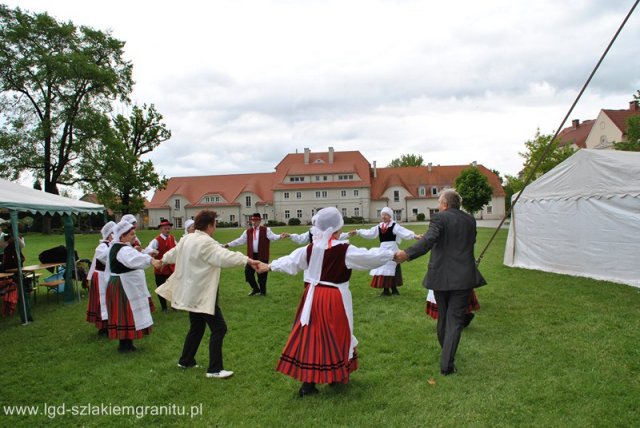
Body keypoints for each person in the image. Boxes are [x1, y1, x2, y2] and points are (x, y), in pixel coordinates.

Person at [259, 207, 394, 397]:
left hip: (312, 297)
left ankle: (310, 383)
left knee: (312, 336)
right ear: (337, 229)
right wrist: (392, 255)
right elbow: (368, 257)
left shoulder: (310, 248)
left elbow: (291, 261)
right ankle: (333, 376)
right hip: (334, 298)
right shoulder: (344, 250)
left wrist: (270, 266)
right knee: (336, 336)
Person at [156, 210, 261, 379]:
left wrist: (163, 260)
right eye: (215, 223)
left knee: (197, 326)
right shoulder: (205, 242)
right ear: (210, 225)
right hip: (202, 293)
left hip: (192, 291)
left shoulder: (187, 238)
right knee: (219, 328)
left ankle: (185, 360)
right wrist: (247, 260)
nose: (216, 226)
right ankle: (215, 369)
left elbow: (173, 253)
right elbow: (224, 256)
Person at [395, 190, 486, 375]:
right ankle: (447, 358)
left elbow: (429, 240)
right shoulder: (470, 220)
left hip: (441, 276)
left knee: (444, 318)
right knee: (454, 320)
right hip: (463, 276)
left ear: (445, 204)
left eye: (438, 202)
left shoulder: (439, 218)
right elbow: (471, 241)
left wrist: (407, 253)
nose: (438, 205)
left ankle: (447, 360)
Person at [106, 220, 162, 353]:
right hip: (123, 286)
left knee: (127, 313)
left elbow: (134, 257)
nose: (134, 237)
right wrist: (151, 260)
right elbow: (133, 259)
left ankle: (127, 342)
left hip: (124, 284)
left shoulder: (121, 247)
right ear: (122, 236)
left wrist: (147, 255)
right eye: (131, 234)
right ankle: (125, 344)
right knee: (125, 313)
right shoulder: (122, 249)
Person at [349, 207, 420, 296]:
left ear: (390, 216)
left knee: (392, 267)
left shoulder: (394, 226)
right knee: (383, 267)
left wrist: (414, 236)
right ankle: (386, 290)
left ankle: (394, 289)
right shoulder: (379, 226)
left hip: (392, 249)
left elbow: (403, 232)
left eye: (385, 215)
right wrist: (357, 232)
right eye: (382, 215)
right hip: (383, 249)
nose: (383, 217)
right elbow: (370, 233)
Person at [224, 213, 285, 296]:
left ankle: (263, 292)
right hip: (251, 256)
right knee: (248, 272)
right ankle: (255, 289)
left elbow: (273, 237)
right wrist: (228, 245)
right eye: (253, 220)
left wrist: (280, 236)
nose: (254, 222)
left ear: (260, 221)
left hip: (262, 255)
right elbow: (239, 240)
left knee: (262, 275)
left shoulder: (266, 230)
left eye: (256, 220)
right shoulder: (248, 231)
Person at [86, 221, 116, 335]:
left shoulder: (110, 245)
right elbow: (105, 259)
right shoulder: (102, 246)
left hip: (107, 275)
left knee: (108, 299)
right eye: (113, 233)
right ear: (109, 235)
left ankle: (109, 324)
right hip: (100, 277)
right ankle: (102, 326)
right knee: (102, 300)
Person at [145, 219, 176, 313]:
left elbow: (177, 247)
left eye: (168, 228)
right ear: (161, 229)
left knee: (173, 287)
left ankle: (174, 306)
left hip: (171, 268)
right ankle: (164, 307)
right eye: (165, 228)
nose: (167, 230)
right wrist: (153, 251)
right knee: (161, 287)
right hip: (161, 269)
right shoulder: (156, 240)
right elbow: (148, 248)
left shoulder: (172, 238)